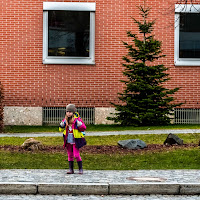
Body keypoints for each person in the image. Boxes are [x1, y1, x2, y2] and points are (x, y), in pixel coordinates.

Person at [59, 104, 86, 174]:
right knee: (70, 155)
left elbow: (83, 128)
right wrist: (61, 125)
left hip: (75, 140)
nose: (68, 113)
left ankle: (80, 169)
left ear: (73, 113)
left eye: (70, 112)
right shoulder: (65, 120)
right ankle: (71, 169)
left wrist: (80, 125)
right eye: (67, 111)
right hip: (68, 140)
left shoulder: (77, 120)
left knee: (76, 155)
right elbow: (60, 129)